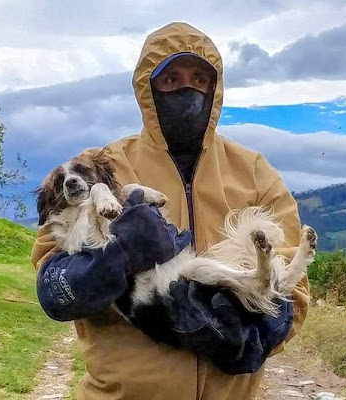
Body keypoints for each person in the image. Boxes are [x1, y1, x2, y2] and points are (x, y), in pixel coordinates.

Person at [31, 22, 310, 400]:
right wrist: (110, 262)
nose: (187, 89)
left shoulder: (255, 172)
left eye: (199, 78)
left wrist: (255, 337)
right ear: (148, 89)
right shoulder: (104, 165)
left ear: (215, 89)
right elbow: (51, 265)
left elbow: (296, 285)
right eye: (171, 78)